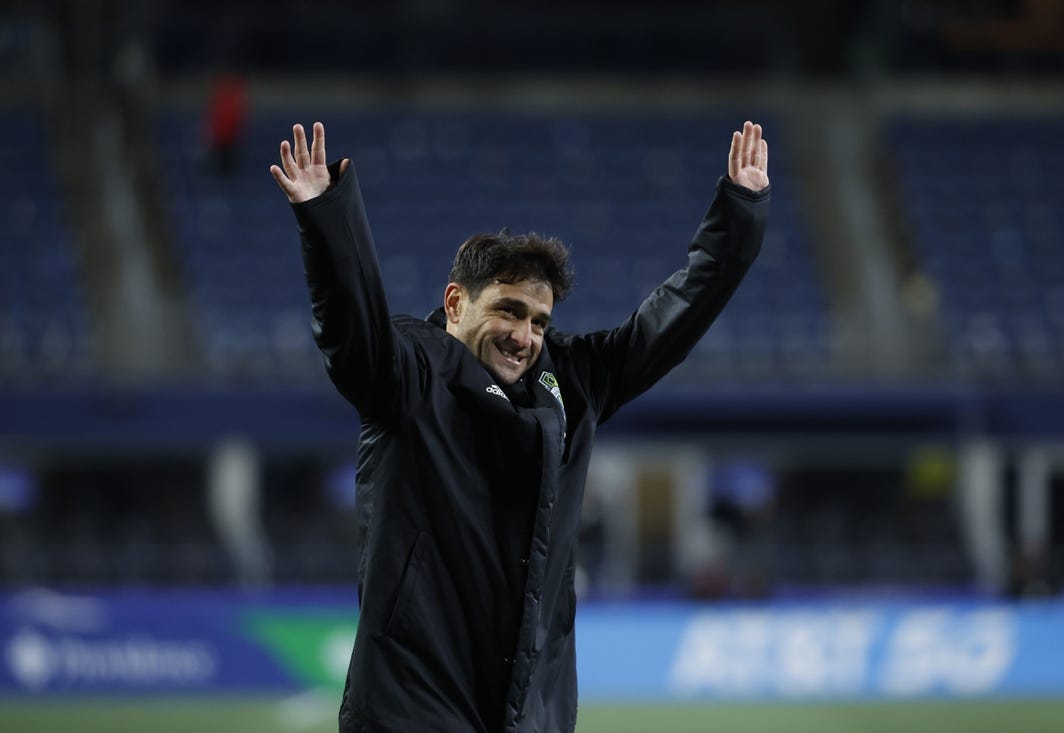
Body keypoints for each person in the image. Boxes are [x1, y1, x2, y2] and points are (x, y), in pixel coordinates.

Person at [271, 119, 770, 733]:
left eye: (539, 321)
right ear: (456, 304)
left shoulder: (573, 386)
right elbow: (353, 333)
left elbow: (668, 324)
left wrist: (739, 218)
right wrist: (327, 217)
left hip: (531, 713)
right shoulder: (410, 371)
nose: (525, 336)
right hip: (413, 707)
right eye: (508, 311)